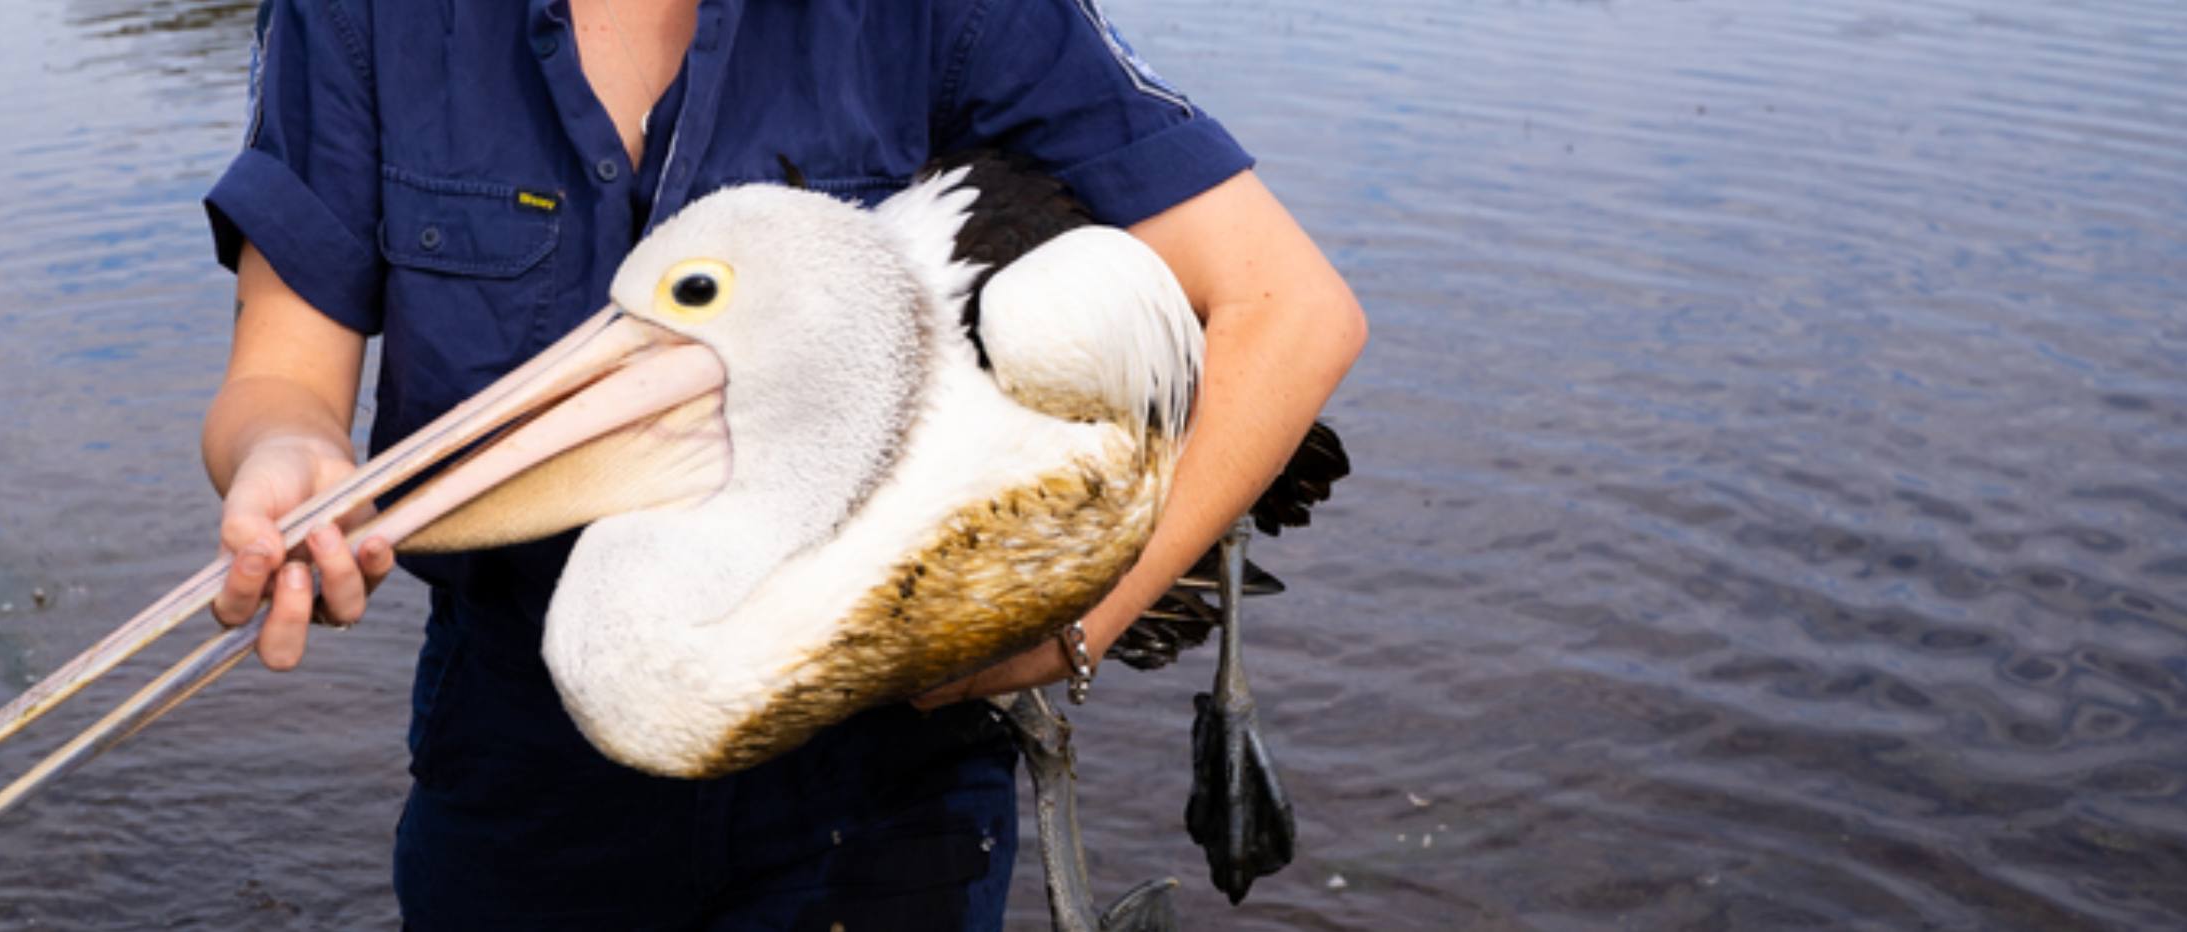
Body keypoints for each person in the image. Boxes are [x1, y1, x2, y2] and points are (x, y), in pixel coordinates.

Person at [192, 0, 1363, 926]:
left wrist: (1076, 616)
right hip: (518, 747)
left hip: (881, 774)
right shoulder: (364, 16)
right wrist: (289, 455)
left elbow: (1286, 305)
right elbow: (283, 379)